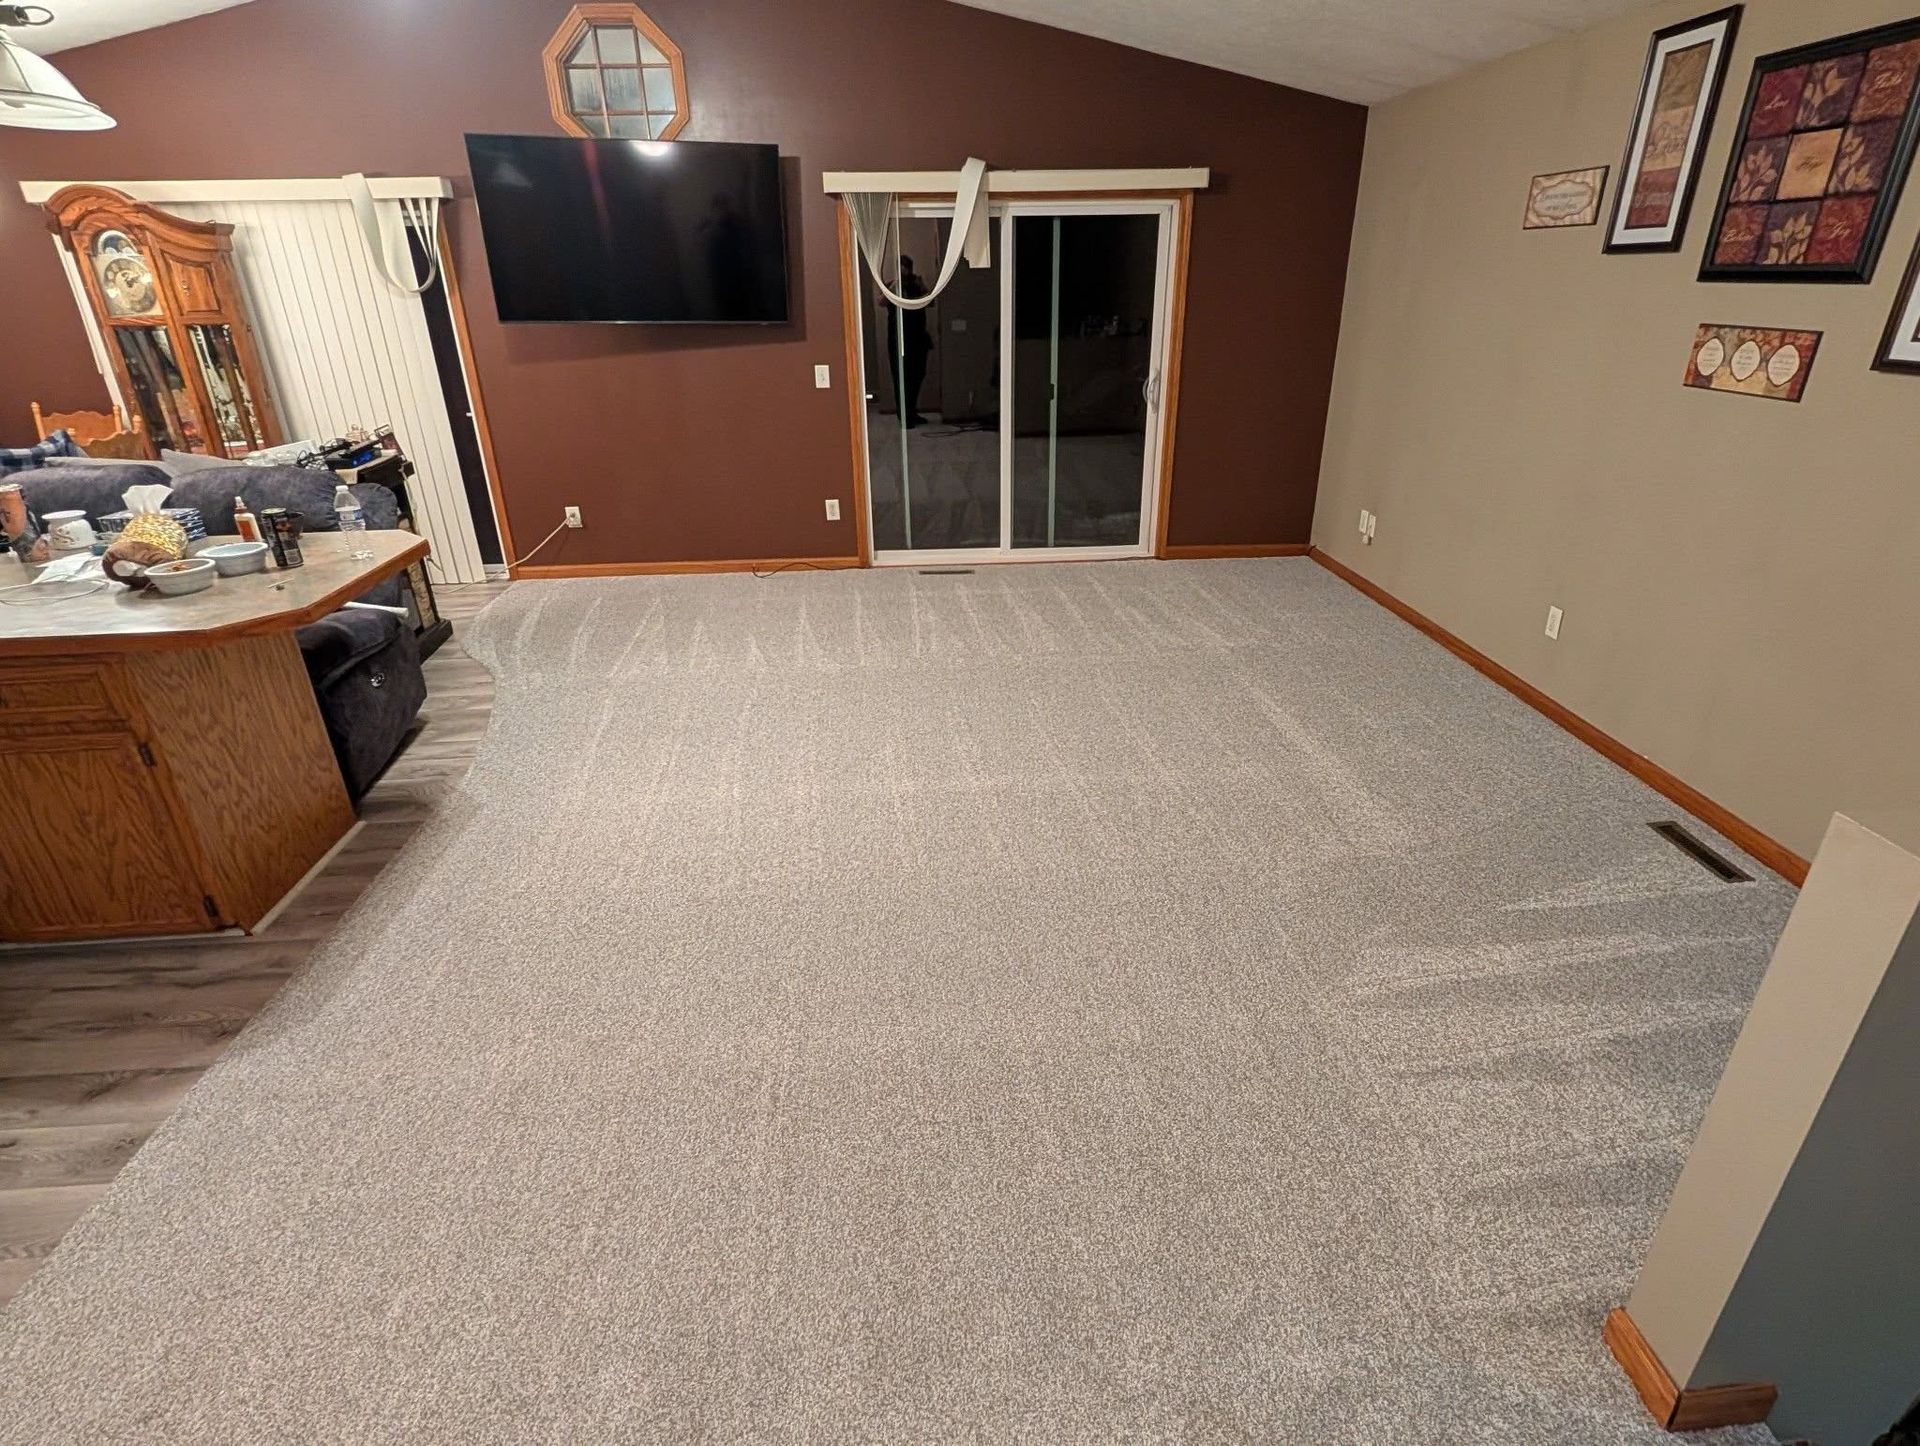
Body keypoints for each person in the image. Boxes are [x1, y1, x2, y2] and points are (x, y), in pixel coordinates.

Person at [885, 257, 933, 428]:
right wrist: (894, 286)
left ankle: (912, 411)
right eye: (902, 267)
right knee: (901, 378)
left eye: (907, 267)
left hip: (918, 338)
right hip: (898, 339)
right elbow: (882, 302)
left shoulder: (916, 284)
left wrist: (922, 285)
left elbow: (931, 301)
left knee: (918, 375)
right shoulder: (892, 285)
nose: (905, 270)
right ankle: (904, 416)